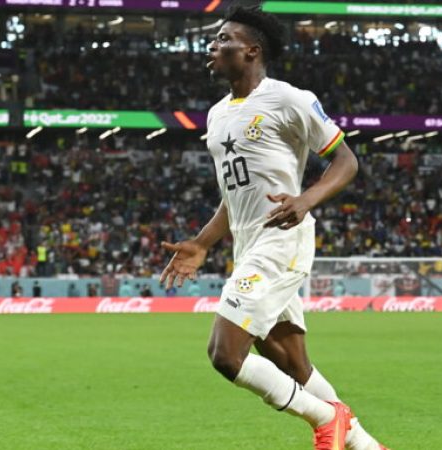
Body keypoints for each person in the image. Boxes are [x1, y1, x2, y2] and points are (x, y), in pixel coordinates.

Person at [160, 5, 387, 450]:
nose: (212, 46)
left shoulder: (288, 99)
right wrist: (203, 242)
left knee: (226, 354)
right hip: (248, 245)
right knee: (292, 364)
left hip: (282, 239)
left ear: (252, 50)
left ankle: (326, 419)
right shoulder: (217, 115)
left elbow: (346, 161)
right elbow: (234, 195)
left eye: (223, 38)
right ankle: (366, 445)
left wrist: (306, 199)